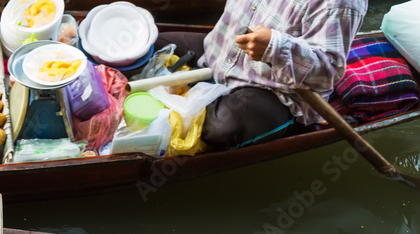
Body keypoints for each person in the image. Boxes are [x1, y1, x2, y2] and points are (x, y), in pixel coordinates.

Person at [156, 0, 366, 150]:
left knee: (219, 129)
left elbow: (326, 73)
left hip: (273, 91)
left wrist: (275, 47)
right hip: (216, 55)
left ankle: (291, 129)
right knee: (151, 45)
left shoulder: (342, 3)